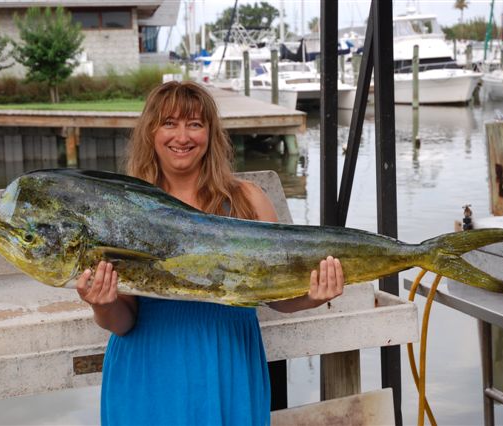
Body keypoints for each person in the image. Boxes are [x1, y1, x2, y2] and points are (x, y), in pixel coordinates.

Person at [76, 81, 344, 426]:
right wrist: (102, 303)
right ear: (151, 132)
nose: (182, 136)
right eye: (169, 123)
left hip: (227, 363)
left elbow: (275, 297)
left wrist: (312, 297)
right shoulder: (124, 209)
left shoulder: (248, 200)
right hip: (150, 370)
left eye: (194, 124)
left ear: (211, 133)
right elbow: (122, 321)